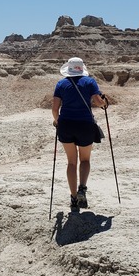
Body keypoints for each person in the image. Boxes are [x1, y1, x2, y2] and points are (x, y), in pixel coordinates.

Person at [52, 57, 107, 209]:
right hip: (85, 125)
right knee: (85, 160)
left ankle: (73, 198)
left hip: (66, 126)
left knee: (71, 162)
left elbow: (55, 109)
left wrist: (57, 121)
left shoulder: (61, 84)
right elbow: (98, 102)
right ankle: (82, 188)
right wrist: (104, 101)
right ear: (81, 68)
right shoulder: (90, 82)